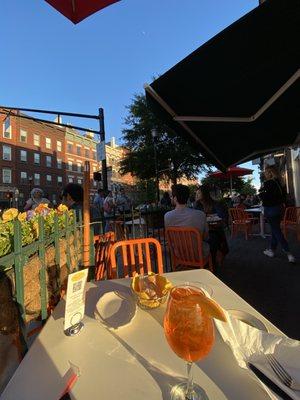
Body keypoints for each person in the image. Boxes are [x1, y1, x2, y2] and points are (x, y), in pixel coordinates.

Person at [259, 166, 295, 263]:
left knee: (276, 231)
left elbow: (265, 198)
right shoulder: (280, 183)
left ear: (270, 173)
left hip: (271, 210)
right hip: (279, 209)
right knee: (275, 230)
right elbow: (283, 197)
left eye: (266, 172)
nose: (264, 174)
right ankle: (271, 250)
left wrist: (260, 194)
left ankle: (288, 253)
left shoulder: (267, 183)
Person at [164, 184, 210, 258]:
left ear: (175, 198)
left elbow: (169, 238)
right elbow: (206, 237)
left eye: (172, 196)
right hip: (198, 254)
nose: (171, 198)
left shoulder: (167, 216)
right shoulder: (200, 214)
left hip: (179, 254)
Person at [195, 185, 229, 267]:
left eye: (199, 193)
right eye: (196, 193)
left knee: (213, 236)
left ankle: (213, 261)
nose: (196, 195)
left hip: (214, 228)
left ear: (205, 194)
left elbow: (222, 219)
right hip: (202, 230)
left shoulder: (216, 204)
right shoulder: (197, 206)